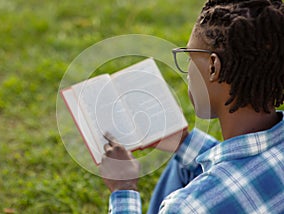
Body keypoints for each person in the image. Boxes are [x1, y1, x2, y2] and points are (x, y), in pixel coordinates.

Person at [99, 0, 284, 213]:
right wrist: (184, 142)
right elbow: (251, 166)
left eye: (189, 57)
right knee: (182, 165)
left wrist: (124, 188)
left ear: (214, 67)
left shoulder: (187, 206)